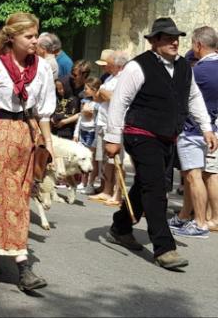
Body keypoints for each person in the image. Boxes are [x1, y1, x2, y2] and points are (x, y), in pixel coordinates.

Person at [104, 17, 218, 270]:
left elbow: (194, 98)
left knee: (151, 182)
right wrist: (112, 138)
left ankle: (120, 226)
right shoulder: (137, 67)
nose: (174, 42)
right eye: (167, 38)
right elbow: (119, 101)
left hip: (167, 135)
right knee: (156, 187)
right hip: (140, 132)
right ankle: (164, 248)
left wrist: (206, 129)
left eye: (176, 37)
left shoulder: (185, 67)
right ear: (154, 41)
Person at [0, 12, 56, 291]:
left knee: (18, 197)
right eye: (28, 36)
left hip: (24, 136)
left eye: (35, 36)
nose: (34, 41)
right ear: (12, 37)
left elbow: (43, 110)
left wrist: (48, 143)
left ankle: (22, 263)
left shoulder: (41, 68)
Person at [170, 26, 218, 238]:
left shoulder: (196, 72)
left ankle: (199, 222)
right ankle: (190, 216)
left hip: (193, 128)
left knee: (193, 175)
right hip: (212, 128)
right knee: (206, 175)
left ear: (198, 45)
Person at [88, 50, 129, 202]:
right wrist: (103, 93)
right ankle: (107, 190)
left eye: (109, 64)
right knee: (107, 160)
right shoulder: (110, 77)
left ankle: (117, 193)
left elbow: (114, 98)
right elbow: (98, 97)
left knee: (117, 160)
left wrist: (103, 92)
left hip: (116, 124)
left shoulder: (123, 78)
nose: (106, 67)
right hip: (104, 121)